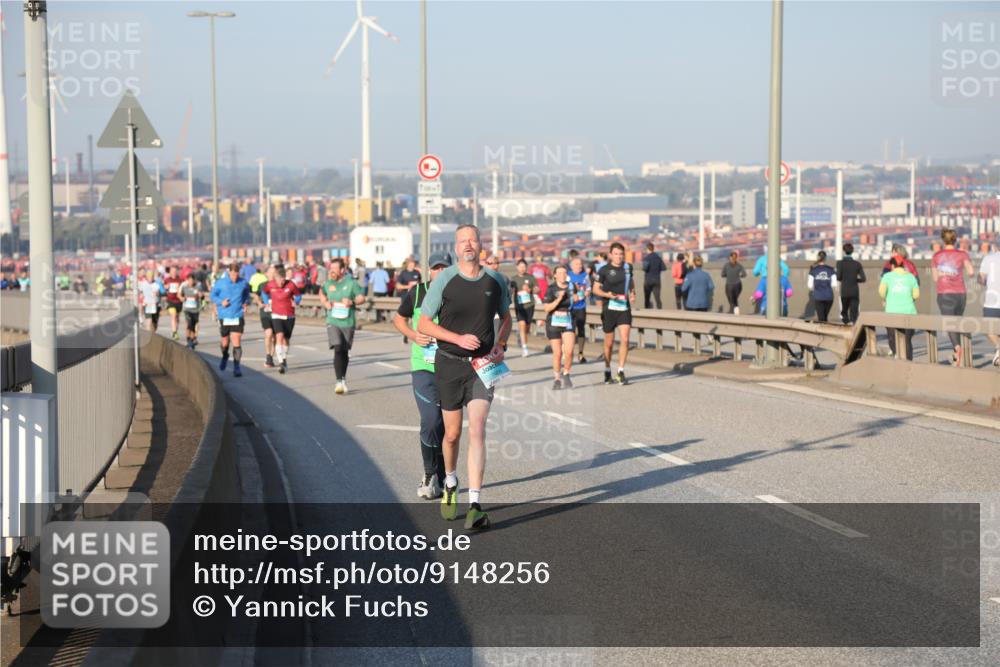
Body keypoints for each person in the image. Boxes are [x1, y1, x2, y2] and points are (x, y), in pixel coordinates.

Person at [417, 224, 512, 531]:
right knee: (453, 434)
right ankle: (450, 481)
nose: (468, 245)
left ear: (480, 245)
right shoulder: (444, 279)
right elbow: (424, 325)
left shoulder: (497, 280)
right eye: (462, 241)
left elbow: (507, 318)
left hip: (482, 366)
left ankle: (474, 504)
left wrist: (500, 344)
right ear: (456, 248)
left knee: (478, 431)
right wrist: (457, 339)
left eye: (473, 239)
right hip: (449, 363)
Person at [393, 252, 452, 500]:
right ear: (429, 271)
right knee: (430, 421)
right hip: (423, 367)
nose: (439, 272)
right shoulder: (417, 293)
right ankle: (429, 475)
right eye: (435, 268)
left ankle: (441, 475)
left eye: (444, 268)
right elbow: (399, 319)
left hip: (451, 368)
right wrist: (413, 335)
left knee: (447, 428)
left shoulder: (458, 294)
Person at [319, 258, 366, 394]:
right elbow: (321, 292)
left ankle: (343, 379)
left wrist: (352, 301)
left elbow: (361, 298)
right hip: (332, 320)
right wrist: (325, 302)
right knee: (338, 347)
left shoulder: (351, 283)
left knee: (344, 350)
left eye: (334, 268)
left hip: (348, 321)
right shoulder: (328, 283)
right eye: (330, 268)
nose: (331, 271)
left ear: (342, 270)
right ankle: (338, 381)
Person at [594, 242, 636, 385]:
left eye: (621, 254)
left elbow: (631, 281)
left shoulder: (628, 267)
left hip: (624, 307)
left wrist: (632, 292)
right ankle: (607, 369)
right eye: (616, 254)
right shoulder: (604, 270)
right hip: (609, 308)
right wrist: (608, 295)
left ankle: (620, 371)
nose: (619, 257)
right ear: (611, 255)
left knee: (625, 339)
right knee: (609, 343)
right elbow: (595, 289)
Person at [932, 228, 974, 365]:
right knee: (957, 321)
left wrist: (943, 274)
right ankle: (958, 354)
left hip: (945, 293)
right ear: (955, 240)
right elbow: (971, 272)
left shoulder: (937, 256)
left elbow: (934, 278)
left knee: (950, 323)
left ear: (943, 240)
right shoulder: (962, 254)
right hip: (960, 294)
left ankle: (957, 349)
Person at [210, 262, 252, 378]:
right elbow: (212, 295)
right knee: (225, 341)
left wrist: (246, 302)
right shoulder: (221, 283)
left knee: (236, 339)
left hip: (237, 315)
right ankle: (224, 355)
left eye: (236, 275)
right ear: (229, 272)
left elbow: (247, 295)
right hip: (224, 315)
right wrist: (221, 302)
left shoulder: (243, 282)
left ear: (238, 273)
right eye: (232, 275)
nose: (234, 277)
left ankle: (236, 367)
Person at [542, 264, 578, 389]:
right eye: (560, 273)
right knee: (557, 353)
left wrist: (577, 298)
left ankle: (566, 372)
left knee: (569, 351)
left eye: (564, 272)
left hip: (568, 320)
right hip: (553, 321)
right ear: (555, 275)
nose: (562, 275)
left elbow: (576, 299)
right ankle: (557, 379)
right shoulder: (551, 289)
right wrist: (559, 299)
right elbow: (547, 308)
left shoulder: (571, 286)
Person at [262, 265, 301, 374]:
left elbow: (298, 295)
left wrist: (296, 302)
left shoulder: (291, 285)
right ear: (275, 278)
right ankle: (281, 362)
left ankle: (284, 359)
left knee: (286, 340)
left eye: (284, 280)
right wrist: (266, 302)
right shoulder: (270, 285)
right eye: (280, 280)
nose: (282, 283)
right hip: (276, 314)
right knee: (279, 336)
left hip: (289, 315)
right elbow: (264, 292)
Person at [879, 256, 919, 360]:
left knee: (892, 338)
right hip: (909, 312)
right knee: (907, 341)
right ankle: (909, 362)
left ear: (892, 266)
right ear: (902, 265)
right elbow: (916, 295)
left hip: (892, 312)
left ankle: (897, 355)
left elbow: (881, 292)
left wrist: (886, 299)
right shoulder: (911, 277)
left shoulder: (887, 276)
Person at [509, 259, 539, 358]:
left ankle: (521, 336)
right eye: (520, 266)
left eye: (524, 266)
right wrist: (510, 292)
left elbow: (537, 289)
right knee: (522, 324)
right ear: (517, 267)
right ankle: (525, 348)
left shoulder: (531, 277)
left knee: (527, 327)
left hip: (529, 305)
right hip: (520, 306)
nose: (522, 268)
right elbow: (510, 291)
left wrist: (531, 290)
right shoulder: (514, 279)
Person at [978, 243, 1000, 367]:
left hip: (992, 301)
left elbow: (981, 279)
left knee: (988, 328)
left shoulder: (989, 258)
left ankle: (999, 347)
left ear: (996, 247)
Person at [567, 256, 591, 363]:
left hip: (581, 306)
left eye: (581, 264)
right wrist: (573, 291)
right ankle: (568, 352)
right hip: (570, 308)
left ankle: (581, 353)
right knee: (570, 330)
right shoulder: (568, 275)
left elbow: (589, 287)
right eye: (577, 264)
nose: (580, 266)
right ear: (572, 266)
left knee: (581, 329)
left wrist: (587, 292)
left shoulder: (585, 275)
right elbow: (563, 288)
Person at [835, 243, 866, 325]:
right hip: (854, 291)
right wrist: (854, 279)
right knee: (854, 312)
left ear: (843, 251)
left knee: (844, 311)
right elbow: (863, 279)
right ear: (852, 251)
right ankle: (854, 327)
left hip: (844, 290)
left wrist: (845, 279)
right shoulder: (857, 264)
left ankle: (846, 323)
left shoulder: (839, 263)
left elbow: (838, 277)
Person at [808, 251, 838, 322]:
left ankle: (821, 331)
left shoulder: (813, 270)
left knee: (821, 318)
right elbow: (834, 284)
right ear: (825, 258)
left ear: (818, 257)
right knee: (825, 317)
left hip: (818, 296)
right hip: (829, 297)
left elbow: (809, 285)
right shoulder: (831, 269)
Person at [180, 273, 203, 348]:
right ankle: (188, 339)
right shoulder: (184, 287)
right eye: (189, 280)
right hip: (187, 309)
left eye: (192, 280)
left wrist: (200, 295)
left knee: (193, 325)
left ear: (194, 280)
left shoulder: (198, 287)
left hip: (195, 310)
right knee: (188, 324)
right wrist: (182, 298)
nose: (191, 282)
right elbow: (180, 295)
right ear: (187, 280)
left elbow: (202, 296)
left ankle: (192, 339)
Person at [641, 243, 665, 309]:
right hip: (657, 280)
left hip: (648, 280)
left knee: (647, 298)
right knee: (657, 298)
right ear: (653, 248)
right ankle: (660, 312)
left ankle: (646, 312)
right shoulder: (658, 258)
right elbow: (664, 268)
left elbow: (644, 268)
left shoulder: (646, 258)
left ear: (647, 249)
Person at [163, 265, 184, 341]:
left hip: (178, 301)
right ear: (170, 272)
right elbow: (163, 290)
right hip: (170, 301)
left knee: (177, 318)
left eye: (175, 271)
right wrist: (166, 287)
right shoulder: (167, 280)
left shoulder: (180, 280)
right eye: (172, 271)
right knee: (173, 316)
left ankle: (175, 331)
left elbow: (183, 290)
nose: (174, 273)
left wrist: (180, 289)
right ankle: (174, 332)